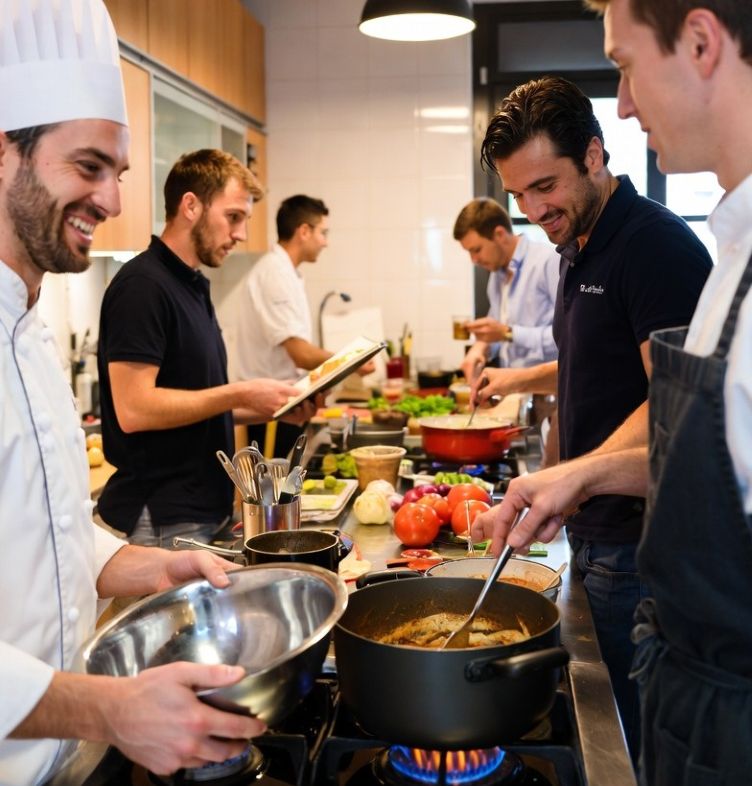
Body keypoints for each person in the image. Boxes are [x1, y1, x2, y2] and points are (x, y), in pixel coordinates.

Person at [474, 3, 752, 783]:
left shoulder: (655, 243)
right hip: (601, 543)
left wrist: (575, 476)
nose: (533, 211)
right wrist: (557, 481)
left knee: (619, 740)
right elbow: (587, 380)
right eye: (520, 195)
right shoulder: (577, 245)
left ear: (595, 156)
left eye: (547, 187)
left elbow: (672, 413)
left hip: (640, 558)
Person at [0, 2, 265, 784]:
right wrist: (107, 708)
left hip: (64, 760)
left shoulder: (33, 331)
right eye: (88, 167)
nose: (114, 200)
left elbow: (54, 534)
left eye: (116, 172)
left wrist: (146, 567)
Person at [96, 150, 309, 546]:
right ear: (190, 205)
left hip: (201, 512)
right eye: (233, 217)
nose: (242, 233)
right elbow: (134, 409)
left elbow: (199, 405)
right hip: (162, 519)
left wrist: (276, 406)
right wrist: (241, 392)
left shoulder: (191, 285)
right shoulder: (142, 286)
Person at [236, 194, 372, 457]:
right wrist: (350, 361)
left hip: (285, 405)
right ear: (304, 231)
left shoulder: (288, 272)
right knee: (271, 494)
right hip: (269, 410)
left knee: (283, 489)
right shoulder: (274, 274)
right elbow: (299, 352)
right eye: (323, 232)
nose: (326, 242)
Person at [453, 197, 559, 382]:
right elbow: (498, 333)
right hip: (514, 388)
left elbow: (569, 339)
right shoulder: (496, 274)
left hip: (550, 392)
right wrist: (480, 347)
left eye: (476, 249)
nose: (473, 260)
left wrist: (508, 332)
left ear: (500, 234)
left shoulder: (548, 261)